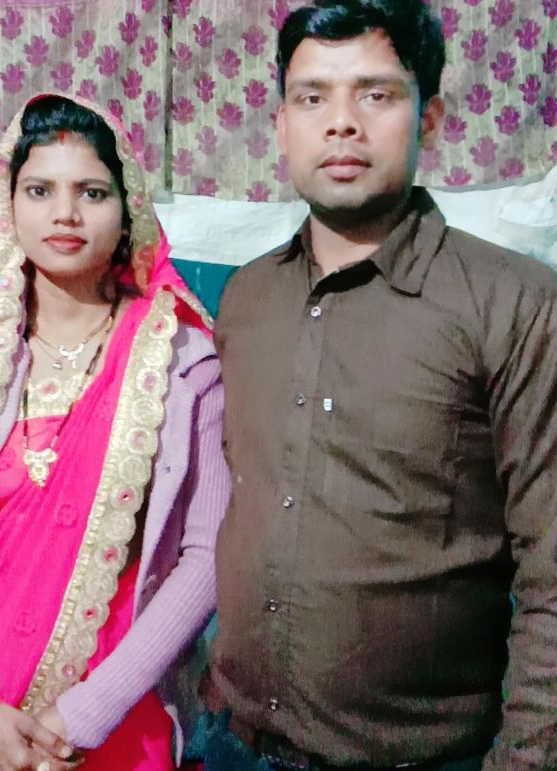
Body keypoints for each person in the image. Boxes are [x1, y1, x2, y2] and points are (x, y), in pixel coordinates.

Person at [204, 1, 557, 769]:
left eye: (376, 93)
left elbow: (552, 572)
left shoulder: (517, 304)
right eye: (312, 97)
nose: (341, 122)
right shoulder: (246, 299)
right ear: (281, 127)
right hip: (231, 744)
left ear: (429, 118)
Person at [0, 93, 230, 771]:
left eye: (91, 191)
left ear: (128, 209)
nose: (65, 213)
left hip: (116, 715)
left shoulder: (182, 359)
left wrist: (84, 715)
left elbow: (206, 557)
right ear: (8, 205)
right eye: (39, 190)